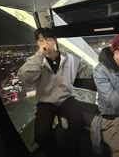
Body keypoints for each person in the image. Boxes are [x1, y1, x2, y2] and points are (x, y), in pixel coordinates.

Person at [17, 27, 97, 157]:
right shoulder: (36, 61)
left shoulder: (70, 59)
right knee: (41, 135)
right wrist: (40, 55)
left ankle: (72, 149)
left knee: (78, 123)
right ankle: (53, 152)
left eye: (48, 39)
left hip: (66, 99)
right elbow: (25, 78)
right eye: (41, 40)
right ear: (37, 43)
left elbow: (87, 71)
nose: (45, 44)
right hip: (45, 102)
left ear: (54, 40)